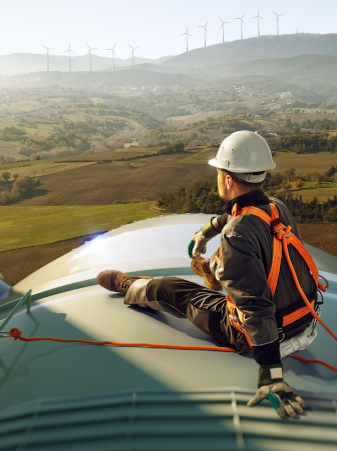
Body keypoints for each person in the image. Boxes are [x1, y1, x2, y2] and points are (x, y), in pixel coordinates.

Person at [97, 130, 319, 418]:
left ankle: (133, 286)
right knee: (233, 258)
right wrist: (206, 231)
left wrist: (272, 374)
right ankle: (213, 270)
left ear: (227, 179)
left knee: (171, 289)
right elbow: (239, 216)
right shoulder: (277, 208)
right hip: (306, 323)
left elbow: (255, 306)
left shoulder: (237, 233)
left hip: (264, 338)